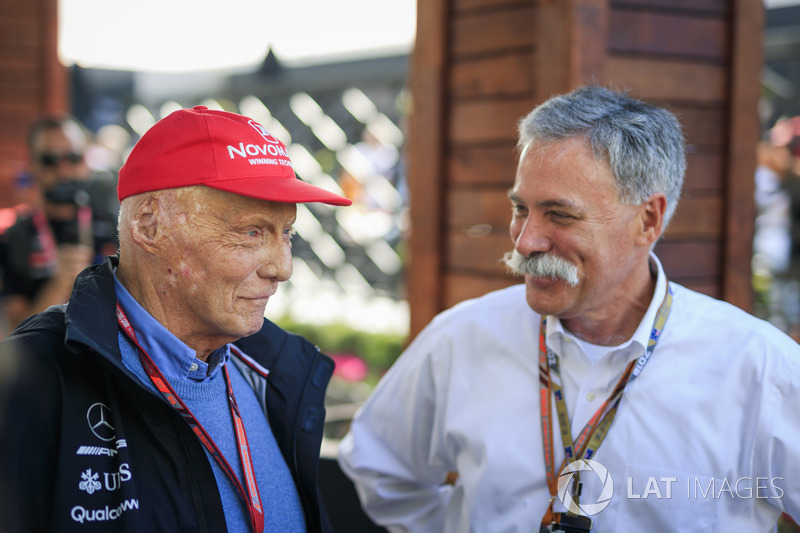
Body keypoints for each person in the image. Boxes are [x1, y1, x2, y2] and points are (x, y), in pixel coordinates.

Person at [338, 86, 800, 532]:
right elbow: (379, 467)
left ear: (648, 220)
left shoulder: (759, 366)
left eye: (560, 214)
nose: (526, 241)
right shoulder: (462, 338)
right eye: (521, 208)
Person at [0, 106, 352, 532]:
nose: (282, 267)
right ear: (150, 226)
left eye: (287, 233)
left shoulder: (273, 371)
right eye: (252, 232)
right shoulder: (33, 380)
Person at [0, 114, 119, 334]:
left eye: (73, 158)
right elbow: (14, 335)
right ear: (32, 164)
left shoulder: (116, 225)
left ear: (85, 161)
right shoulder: (14, 239)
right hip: (47, 364)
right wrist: (59, 284)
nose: (63, 171)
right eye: (50, 160)